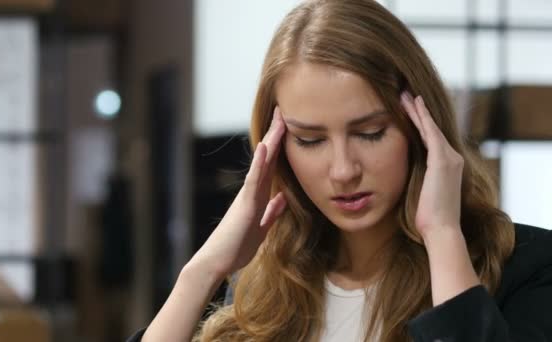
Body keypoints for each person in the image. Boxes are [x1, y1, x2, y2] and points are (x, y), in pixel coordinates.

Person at [129, 0, 552, 341]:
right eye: (310, 140)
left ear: (422, 129)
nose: (344, 171)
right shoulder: (258, 291)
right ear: (277, 148)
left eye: (370, 133)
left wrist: (442, 236)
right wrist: (203, 270)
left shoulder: (528, 267)